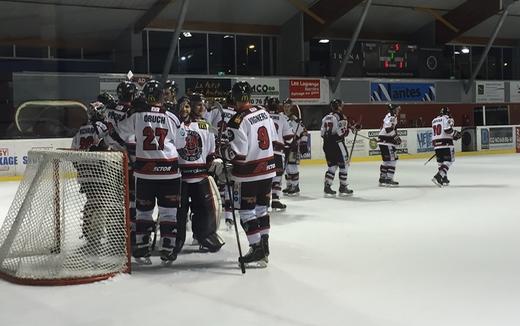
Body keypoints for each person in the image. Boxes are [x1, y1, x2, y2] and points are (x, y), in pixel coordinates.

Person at [116, 80, 184, 263]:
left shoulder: (137, 115)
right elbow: (181, 145)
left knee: (143, 212)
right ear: (162, 96)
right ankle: (168, 248)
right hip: (169, 172)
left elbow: (118, 134)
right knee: (169, 212)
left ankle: (141, 247)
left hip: (144, 172)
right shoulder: (172, 116)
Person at [218, 81, 276, 266]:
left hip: (248, 174)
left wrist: (223, 149)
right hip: (268, 170)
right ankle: (264, 246)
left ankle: (256, 248)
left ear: (234, 98)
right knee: (261, 209)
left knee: (246, 212)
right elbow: (273, 139)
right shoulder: (263, 112)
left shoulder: (237, 121)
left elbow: (238, 154)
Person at [175, 93, 224, 253]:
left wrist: (214, 162)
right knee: (180, 212)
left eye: (203, 104)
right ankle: (176, 240)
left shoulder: (206, 125)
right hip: (180, 177)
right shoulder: (177, 124)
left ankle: (202, 236)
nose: (202, 107)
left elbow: (211, 151)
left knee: (204, 209)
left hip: (200, 176)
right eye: (198, 105)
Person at [71, 101, 111, 252]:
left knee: (91, 201)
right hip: (100, 171)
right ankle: (95, 236)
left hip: (84, 173)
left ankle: (88, 233)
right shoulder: (103, 127)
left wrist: (81, 167)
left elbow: (73, 152)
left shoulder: (80, 130)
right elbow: (109, 144)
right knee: (101, 203)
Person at [205, 92, 236, 228]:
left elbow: (205, 124)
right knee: (228, 184)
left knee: (213, 185)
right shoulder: (238, 114)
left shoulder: (216, 110)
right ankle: (229, 217)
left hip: (215, 150)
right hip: (229, 151)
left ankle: (211, 218)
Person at [320, 99, 358, 196]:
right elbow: (342, 132)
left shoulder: (325, 117)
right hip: (338, 143)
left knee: (332, 166)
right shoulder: (341, 116)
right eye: (341, 105)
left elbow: (322, 133)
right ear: (339, 106)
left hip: (327, 144)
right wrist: (348, 130)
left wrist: (349, 127)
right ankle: (343, 186)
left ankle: (327, 186)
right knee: (344, 164)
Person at [265, 97, 293, 210]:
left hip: (264, 152)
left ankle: (264, 200)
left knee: (265, 177)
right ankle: (275, 200)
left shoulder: (263, 117)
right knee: (277, 177)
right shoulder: (282, 118)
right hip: (277, 152)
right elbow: (289, 137)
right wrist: (287, 145)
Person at [282, 98, 308, 196]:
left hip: (293, 146)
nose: (286, 109)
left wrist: (304, 143)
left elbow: (304, 131)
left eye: (288, 107)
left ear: (291, 107)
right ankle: (289, 185)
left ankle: (295, 186)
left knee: (292, 166)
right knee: (286, 167)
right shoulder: (281, 117)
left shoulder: (295, 120)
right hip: (283, 146)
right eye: (285, 106)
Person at [432, 107, 461, 187]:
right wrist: (455, 134)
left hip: (436, 144)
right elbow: (447, 130)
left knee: (440, 162)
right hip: (446, 143)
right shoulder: (446, 118)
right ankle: (438, 176)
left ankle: (444, 178)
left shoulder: (434, 120)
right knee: (449, 161)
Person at [378, 104, 401, 187]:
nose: (398, 110)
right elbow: (388, 129)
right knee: (392, 160)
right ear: (393, 109)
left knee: (386, 161)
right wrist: (396, 137)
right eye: (397, 109)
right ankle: (389, 179)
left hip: (383, 142)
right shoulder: (392, 116)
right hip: (387, 142)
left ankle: (382, 178)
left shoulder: (388, 116)